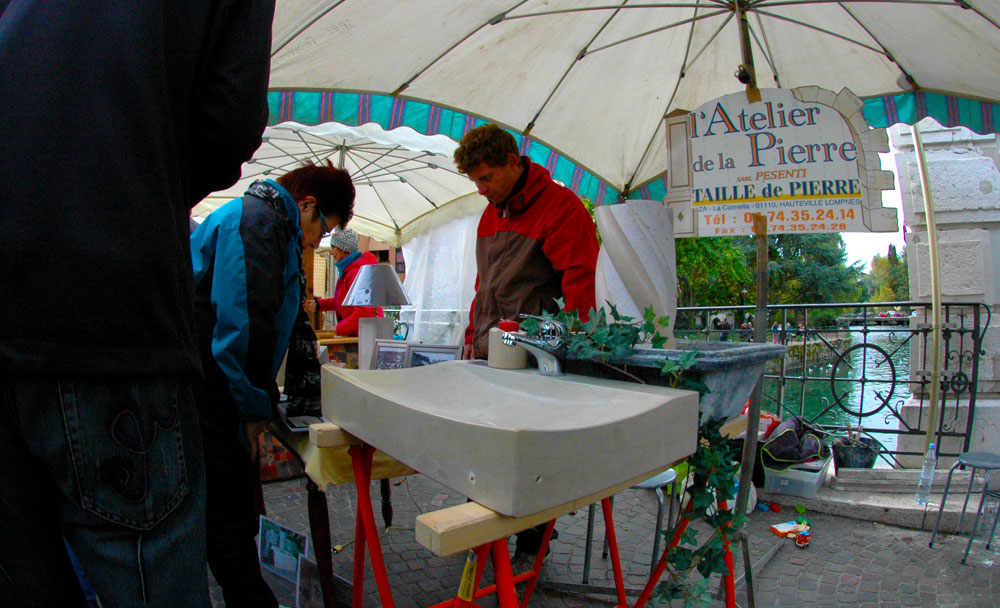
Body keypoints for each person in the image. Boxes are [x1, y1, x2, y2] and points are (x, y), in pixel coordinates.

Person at [0, 2, 274, 607]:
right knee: (148, 581)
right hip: (113, 309)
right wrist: (133, 183)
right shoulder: (257, 225)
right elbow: (226, 125)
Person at [190, 163, 355, 607]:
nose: (318, 242)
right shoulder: (258, 223)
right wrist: (251, 407)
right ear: (307, 205)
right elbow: (241, 326)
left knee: (230, 510)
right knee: (229, 514)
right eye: (323, 230)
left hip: (216, 384)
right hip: (211, 387)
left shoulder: (266, 222)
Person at [453, 123, 599, 563]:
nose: (480, 189)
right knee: (481, 445)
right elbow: (484, 286)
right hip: (488, 353)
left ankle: (533, 542)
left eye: (485, 178)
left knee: (528, 455)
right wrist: (469, 338)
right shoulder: (490, 211)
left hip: (535, 362)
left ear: (513, 164)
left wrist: (575, 357)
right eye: (474, 180)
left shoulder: (561, 208)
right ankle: (479, 526)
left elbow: (582, 287)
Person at [305, 228, 384, 336]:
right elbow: (344, 301)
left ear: (344, 249)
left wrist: (338, 329)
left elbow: (363, 312)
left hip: (365, 336)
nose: (331, 253)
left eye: (334, 248)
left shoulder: (356, 273)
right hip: (360, 334)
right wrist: (319, 305)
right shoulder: (348, 271)